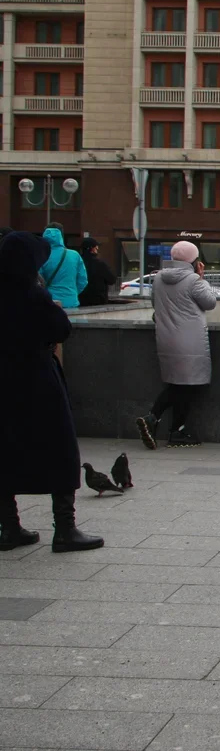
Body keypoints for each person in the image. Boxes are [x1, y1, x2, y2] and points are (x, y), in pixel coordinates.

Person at [0, 232, 103, 553]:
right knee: (60, 449)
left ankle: (10, 528)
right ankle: (65, 529)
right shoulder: (32, 294)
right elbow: (60, 329)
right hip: (36, 381)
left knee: (4, 451)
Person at [135, 241, 217, 449]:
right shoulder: (193, 281)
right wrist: (201, 278)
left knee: (178, 384)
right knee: (186, 386)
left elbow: (156, 304)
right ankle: (156, 419)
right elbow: (210, 303)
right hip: (190, 341)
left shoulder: (159, 278)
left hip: (166, 338)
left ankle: (173, 429)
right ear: (194, 260)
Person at [37, 226, 87, 310]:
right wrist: (73, 292)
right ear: (60, 238)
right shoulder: (74, 255)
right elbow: (83, 280)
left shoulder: (42, 256)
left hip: (50, 301)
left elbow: (39, 281)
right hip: (71, 301)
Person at [77, 237, 117, 308]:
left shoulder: (77, 262)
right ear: (92, 249)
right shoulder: (100, 264)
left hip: (80, 300)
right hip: (98, 301)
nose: (97, 249)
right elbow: (112, 280)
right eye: (96, 247)